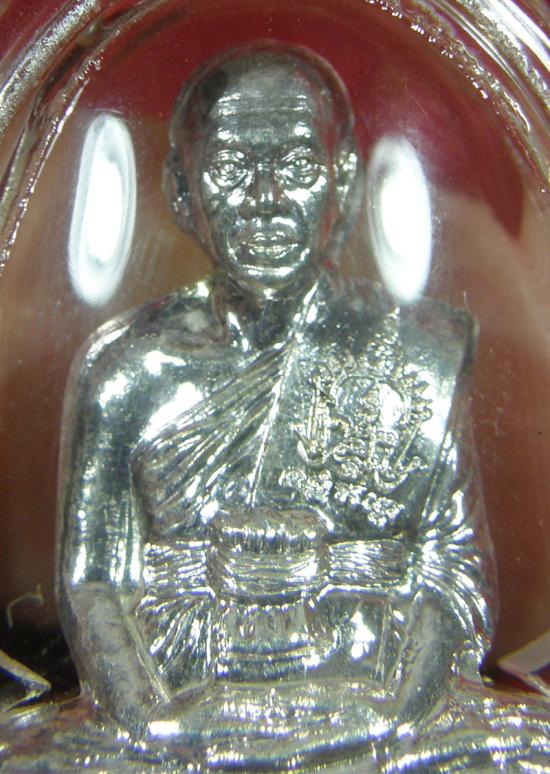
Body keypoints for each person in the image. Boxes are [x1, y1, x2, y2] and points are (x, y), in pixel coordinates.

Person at [54, 43, 548, 770]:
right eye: (231, 168)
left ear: (342, 181)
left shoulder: (415, 353)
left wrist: (394, 715)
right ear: (182, 189)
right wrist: (155, 722)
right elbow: (94, 583)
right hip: (183, 707)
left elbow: (453, 568)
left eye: (296, 167)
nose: (266, 199)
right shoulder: (128, 370)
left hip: (374, 696)